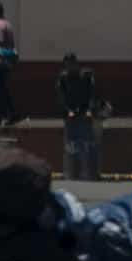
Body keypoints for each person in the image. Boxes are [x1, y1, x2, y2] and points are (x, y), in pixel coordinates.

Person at [58, 53, 99, 181]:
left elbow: (91, 93)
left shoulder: (86, 76)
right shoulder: (63, 78)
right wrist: (67, 111)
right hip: (71, 114)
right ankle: (72, 173)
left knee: (88, 144)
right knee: (71, 146)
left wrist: (89, 109)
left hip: (84, 112)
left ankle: (91, 173)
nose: (70, 66)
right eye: (68, 64)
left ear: (76, 63)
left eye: (72, 63)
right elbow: (61, 97)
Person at [0, 1, 19, 125]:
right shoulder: (8, 24)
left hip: (0, 62)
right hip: (8, 62)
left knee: (0, 89)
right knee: (4, 88)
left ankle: (1, 114)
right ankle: (8, 113)